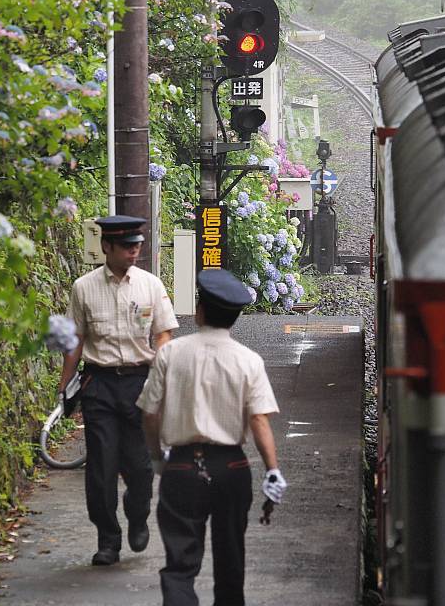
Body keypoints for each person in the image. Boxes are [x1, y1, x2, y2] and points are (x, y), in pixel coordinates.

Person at [137, 267, 287, 606]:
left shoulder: (170, 354)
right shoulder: (248, 361)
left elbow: (149, 413)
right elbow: (259, 420)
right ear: (234, 318)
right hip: (231, 466)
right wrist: (273, 470)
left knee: (179, 564)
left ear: (199, 310)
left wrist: (157, 457)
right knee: (231, 559)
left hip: (182, 467)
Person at [59, 214, 179, 567]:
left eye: (137, 245)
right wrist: (65, 388)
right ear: (106, 247)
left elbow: (164, 333)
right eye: (127, 246)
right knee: (101, 468)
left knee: (140, 467)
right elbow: (75, 340)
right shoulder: (84, 288)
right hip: (100, 385)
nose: (133, 252)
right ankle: (107, 538)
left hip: (140, 383)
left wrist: (162, 367)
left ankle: (138, 514)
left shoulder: (150, 286)